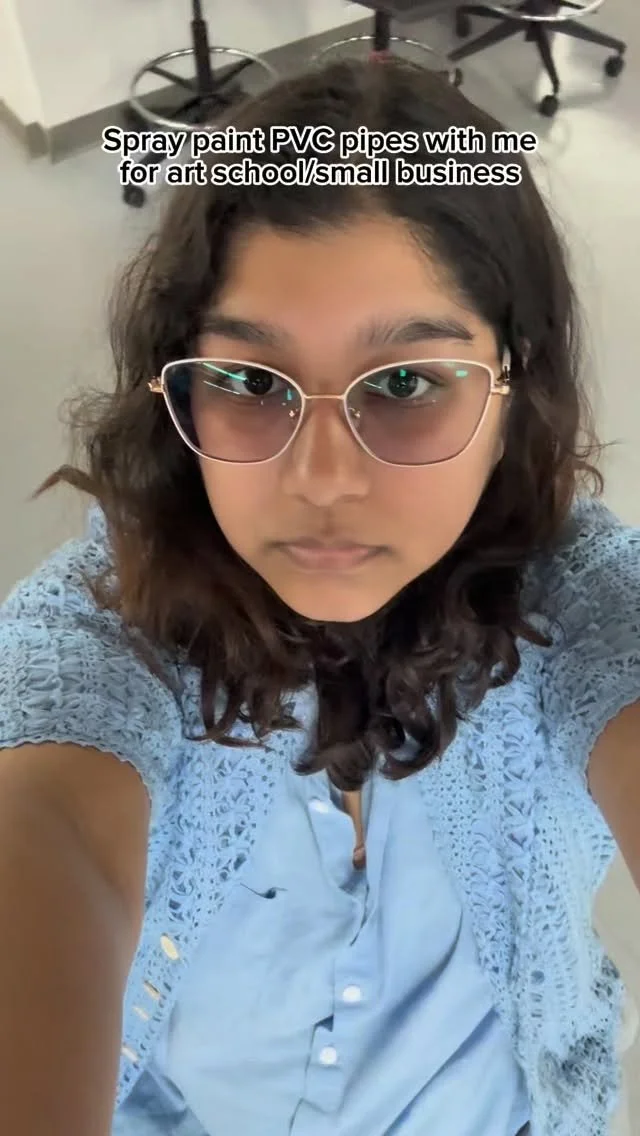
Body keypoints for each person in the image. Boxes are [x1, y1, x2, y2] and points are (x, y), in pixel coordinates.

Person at [0, 56, 639, 1136]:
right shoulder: (102, 630)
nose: (324, 479)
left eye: (406, 383)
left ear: (513, 385)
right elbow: (46, 816)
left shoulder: (576, 604)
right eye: (253, 382)